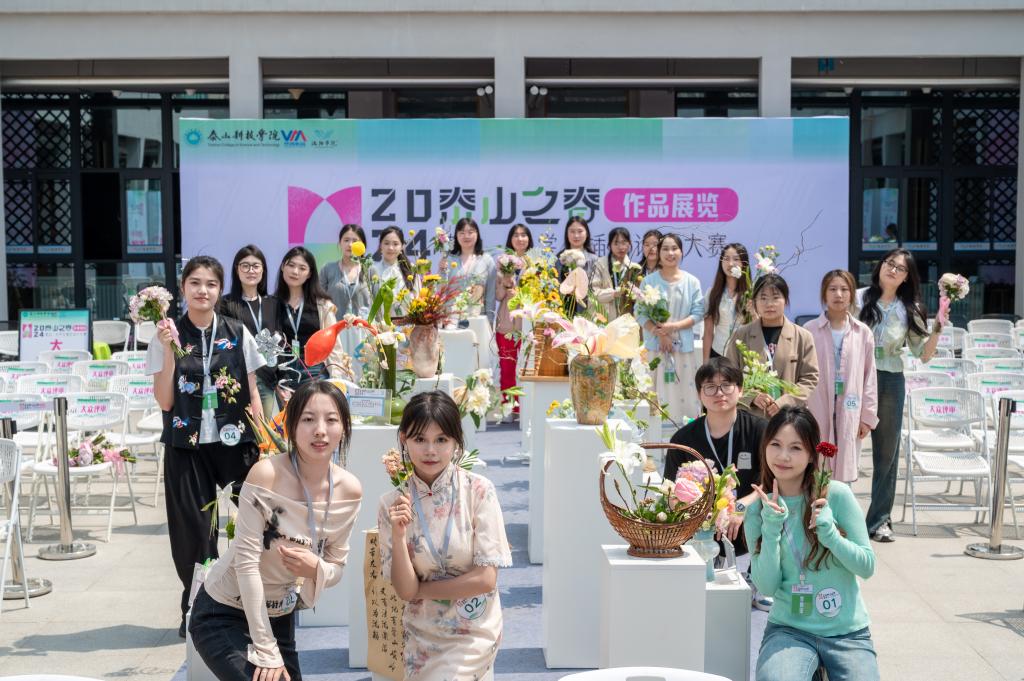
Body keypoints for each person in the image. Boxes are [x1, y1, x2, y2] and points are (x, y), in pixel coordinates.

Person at [189, 380, 362, 681]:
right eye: (308, 419)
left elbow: (336, 568)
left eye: (331, 420)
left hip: (279, 616)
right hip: (224, 610)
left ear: (344, 428)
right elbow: (246, 564)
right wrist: (266, 648)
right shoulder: (266, 475)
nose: (320, 430)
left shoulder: (349, 490)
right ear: (290, 426)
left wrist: (316, 568)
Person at [147, 255, 266, 638]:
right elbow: (165, 401)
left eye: (211, 284)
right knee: (194, 531)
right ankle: (198, 606)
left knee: (260, 518)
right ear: (183, 288)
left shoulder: (238, 331)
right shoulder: (165, 335)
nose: (203, 290)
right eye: (195, 283)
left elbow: (253, 392)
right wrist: (168, 349)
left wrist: (263, 438)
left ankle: (264, 597)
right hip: (186, 445)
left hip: (236, 440)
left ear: (220, 289)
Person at [378, 391, 512, 681]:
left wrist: (422, 591)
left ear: (456, 441)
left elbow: (486, 579)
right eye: (420, 439)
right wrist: (399, 536)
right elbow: (404, 591)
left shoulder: (478, 490)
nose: (430, 450)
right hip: (422, 634)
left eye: (441, 440)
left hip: (474, 628)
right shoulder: (393, 504)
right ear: (403, 439)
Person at [746, 407, 879, 681]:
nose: (783, 456)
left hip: (847, 632)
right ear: (764, 447)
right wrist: (771, 529)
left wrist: (830, 535)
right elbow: (767, 587)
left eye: (795, 448)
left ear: (811, 455)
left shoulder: (836, 495)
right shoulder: (757, 511)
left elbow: (866, 567)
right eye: (775, 445)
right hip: (789, 630)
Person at [857, 249, 941, 543]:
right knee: (840, 447)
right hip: (856, 378)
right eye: (889, 264)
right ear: (880, 266)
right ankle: (833, 516)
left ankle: (879, 520)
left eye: (900, 268)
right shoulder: (858, 298)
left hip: (890, 379)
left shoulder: (910, 309)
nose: (892, 270)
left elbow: (923, 354)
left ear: (907, 277)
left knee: (886, 454)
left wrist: (938, 328)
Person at [665, 357, 765, 555]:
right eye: (710, 387)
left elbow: (772, 480)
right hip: (697, 540)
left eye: (727, 385)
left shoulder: (760, 431)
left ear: (740, 390)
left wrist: (741, 506)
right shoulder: (682, 440)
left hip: (751, 537)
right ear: (699, 394)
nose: (719, 393)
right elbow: (670, 492)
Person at [804, 270, 878, 483]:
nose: (838, 294)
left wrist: (867, 417)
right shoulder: (809, 330)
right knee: (816, 466)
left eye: (844, 289)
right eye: (833, 289)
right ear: (824, 294)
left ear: (852, 294)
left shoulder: (862, 332)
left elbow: (869, 378)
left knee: (846, 462)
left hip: (850, 407)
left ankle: (842, 502)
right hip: (817, 407)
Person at [726, 273, 819, 420]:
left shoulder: (803, 336)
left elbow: (810, 378)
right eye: (763, 298)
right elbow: (729, 375)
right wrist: (751, 397)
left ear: (785, 300)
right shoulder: (741, 335)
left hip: (788, 417)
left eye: (776, 298)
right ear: (754, 302)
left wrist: (785, 402)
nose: (769, 304)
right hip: (751, 416)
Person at [635, 233, 705, 424]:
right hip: (656, 349)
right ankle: (654, 437)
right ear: (658, 253)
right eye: (665, 249)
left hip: (682, 349)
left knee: (685, 397)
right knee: (654, 396)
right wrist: (659, 334)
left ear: (682, 252)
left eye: (674, 248)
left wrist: (672, 327)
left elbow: (698, 313)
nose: (670, 253)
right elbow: (640, 313)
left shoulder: (691, 282)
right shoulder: (649, 282)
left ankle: (686, 437)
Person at [220, 244, 284, 417]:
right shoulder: (225, 304)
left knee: (265, 429)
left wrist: (281, 379)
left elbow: (279, 341)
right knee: (243, 427)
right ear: (237, 269)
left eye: (256, 266)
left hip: (267, 378)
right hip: (239, 379)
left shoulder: (273, 303)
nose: (251, 271)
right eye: (245, 266)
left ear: (263, 270)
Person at [275, 246, 346, 387]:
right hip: (283, 372)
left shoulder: (323, 305)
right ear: (283, 267)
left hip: (314, 371)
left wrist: (336, 378)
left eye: (302, 268)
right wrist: (275, 382)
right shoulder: (271, 304)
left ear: (309, 274)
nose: (295, 272)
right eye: (291, 265)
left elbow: (334, 345)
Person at [494, 223, 532, 416]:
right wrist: (505, 284)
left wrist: (521, 294)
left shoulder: (536, 264)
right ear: (510, 239)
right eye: (516, 235)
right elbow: (498, 296)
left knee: (529, 368)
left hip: (529, 323)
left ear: (529, 239)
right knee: (507, 367)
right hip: (507, 322)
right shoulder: (502, 264)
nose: (520, 238)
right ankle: (510, 408)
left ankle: (528, 410)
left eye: (524, 235)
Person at [320, 224, 372, 361]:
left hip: (363, 334)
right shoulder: (328, 269)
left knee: (364, 371)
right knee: (339, 369)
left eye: (355, 241)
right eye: (346, 240)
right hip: (336, 332)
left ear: (363, 245)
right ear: (340, 243)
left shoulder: (370, 270)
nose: (350, 244)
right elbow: (319, 300)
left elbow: (378, 306)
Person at [703, 243, 751, 362]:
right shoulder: (712, 293)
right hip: (718, 353)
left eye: (736, 259)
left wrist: (753, 311)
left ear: (744, 263)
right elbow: (708, 331)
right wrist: (705, 363)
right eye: (726, 259)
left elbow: (759, 326)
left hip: (745, 355)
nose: (730, 264)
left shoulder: (752, 293)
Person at [448, 217, 497, 324]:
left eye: (470, 232)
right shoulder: (448, 260)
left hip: (478, 318)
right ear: (456, 236)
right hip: (452, 318)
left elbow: (490, 295)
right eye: (462, 233)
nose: (466, 236)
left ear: (477, 234)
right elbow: (441, 290)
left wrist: (489, 321)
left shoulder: (487, 260)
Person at [591, 226, 640, 320]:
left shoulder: (634, 268)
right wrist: (614, 293)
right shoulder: (600, 264)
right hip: (604, 318)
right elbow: (593, 294)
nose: (620, 247)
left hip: (626, 320)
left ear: (630, 244)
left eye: (624, 242)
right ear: (609, 245)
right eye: (616, 243)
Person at [370, 225, 417, 316]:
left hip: (407, 322)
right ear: (380, 246)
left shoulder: (411, 269)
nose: (390, 248)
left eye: (395, 244)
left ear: (402, 247)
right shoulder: (373, 270)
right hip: (380, 322)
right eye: (386, 243)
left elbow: (418, 298)